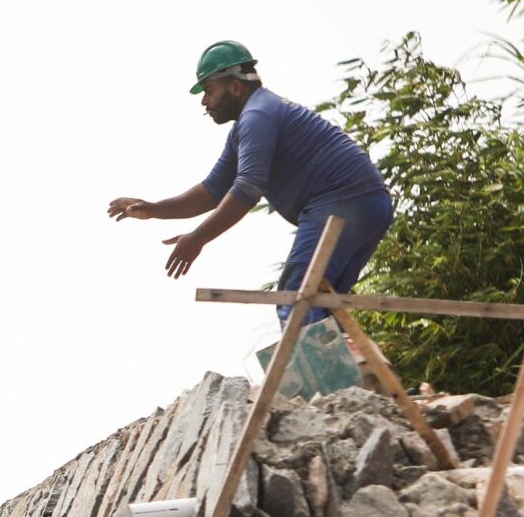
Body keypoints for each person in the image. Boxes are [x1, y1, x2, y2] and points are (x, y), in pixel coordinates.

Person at [107, 40, 396, 326]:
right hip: (369, 204)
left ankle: (322, 371)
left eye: (209, 90)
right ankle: (352, 368)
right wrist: (153, 208)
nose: (205, 101)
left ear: (235, 86)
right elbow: (211, 191)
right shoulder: (254, 119)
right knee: (322, 303)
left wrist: (198, 238)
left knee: (296, 300)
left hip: (342, 203)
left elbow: (247, 189)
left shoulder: (258, 116)